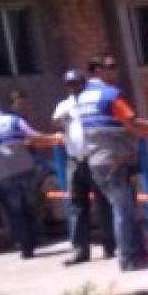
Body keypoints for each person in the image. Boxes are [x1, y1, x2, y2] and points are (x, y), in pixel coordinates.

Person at [76, 55, 148, 271]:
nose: (114, 71)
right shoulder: (111, 95)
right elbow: (133, 124)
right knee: (123, 211)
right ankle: (129, 259)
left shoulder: (82, 98)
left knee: (124, 209)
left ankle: (139, 254)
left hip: (97, 161)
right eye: (110, 67)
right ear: (97, 71)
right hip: (114, 160)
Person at [0, 94, 60, 259]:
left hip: (1, 175)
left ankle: (25, 247)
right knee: (31, 205)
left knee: (14, 211)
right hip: (25, 168)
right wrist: (53, 137)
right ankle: (37, 237)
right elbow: (33, 136)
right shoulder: (13, 120)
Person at [53, 69, 115, 265]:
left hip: (94, 158)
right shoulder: (65, 105)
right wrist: (61, 118)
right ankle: (80, 250)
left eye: (77, 83)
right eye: (70, 84)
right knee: (77, 207)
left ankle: (109, 246)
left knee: (103, 204)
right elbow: (55, 121)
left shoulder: (91, 101)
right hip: (75, 160)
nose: (74, 87)